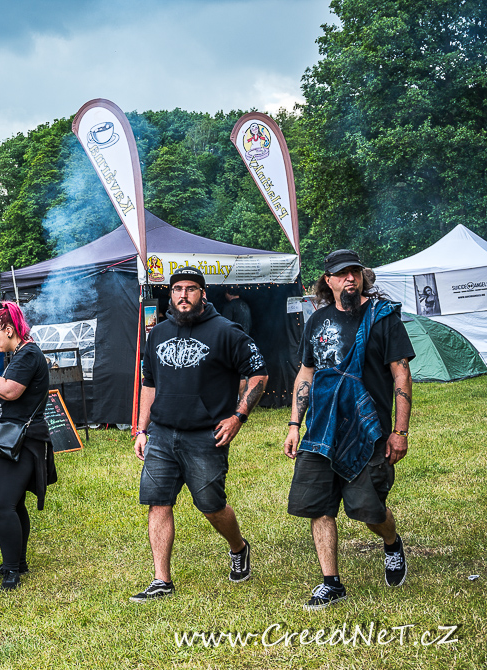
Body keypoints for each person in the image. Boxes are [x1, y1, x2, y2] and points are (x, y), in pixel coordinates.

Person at [284, 249, 414, 610]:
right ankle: (332, 583)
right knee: (318, 507)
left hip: (367, 430)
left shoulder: (382, 317)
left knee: (369, 509)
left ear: (362, 276)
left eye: (354, 272)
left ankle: (392, 544)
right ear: (328, 281)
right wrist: (294, 424)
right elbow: (306, 372)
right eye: (341, 274)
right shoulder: (317, 320)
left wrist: (400, 432)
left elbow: (401, 374)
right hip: (320, 431)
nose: (350, 279)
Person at [130, 266, 268, 602]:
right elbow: (149, 383)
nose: (183, 295)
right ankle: (161, 580)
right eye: (177, 289)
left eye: (191, 289)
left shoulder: (226, 331)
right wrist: (142, 428)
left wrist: (238, 417)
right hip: (162, 433)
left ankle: (238, 547)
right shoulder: (158, 333)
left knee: (211, 507)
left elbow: (259, 374)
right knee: (158, 503)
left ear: (202, 294)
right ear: (170, 294)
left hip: (206, 436)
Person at [0, 302, 56, 591]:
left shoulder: (28, 354)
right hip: (15, 439)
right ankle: (17, 562)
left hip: (21, 441)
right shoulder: (20, 353)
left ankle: (12, 570)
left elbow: (9, 389)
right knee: (14, 503)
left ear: (9, 330)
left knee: (2, 504)